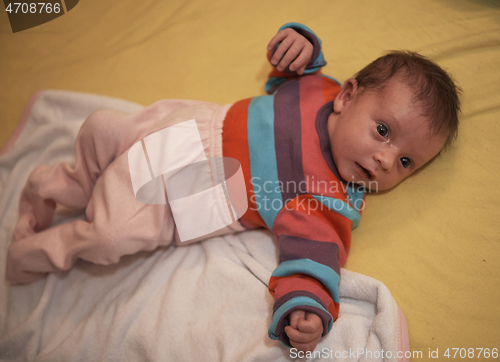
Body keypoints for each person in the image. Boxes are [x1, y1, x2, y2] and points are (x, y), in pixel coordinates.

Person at [5, 23, 461, 352]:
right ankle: (65, 186)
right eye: (383, 130)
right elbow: (289, 67)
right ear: (346, 96)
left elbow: (313, 258)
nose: (385, 160)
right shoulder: (315, 90)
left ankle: (34, 253)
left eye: (405, 162)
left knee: (109, 235)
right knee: (101, 129)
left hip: (192, 195)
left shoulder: (328, 202)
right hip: (190, 123)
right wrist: (299, 44)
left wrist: (307, 306)